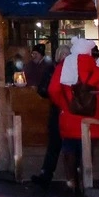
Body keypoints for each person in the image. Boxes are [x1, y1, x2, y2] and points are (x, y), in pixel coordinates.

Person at [48, 37, 99, 192]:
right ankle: (87, 181)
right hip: (92, 119)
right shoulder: (97, 67)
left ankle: (72, 181)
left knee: (69, 149)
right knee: (88, 150)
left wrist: (65, 104)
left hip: (69, 117)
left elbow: (53, 90)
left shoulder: (64, 66)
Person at [31, 44, 70, 185]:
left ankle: (47, 175)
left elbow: (47, 90)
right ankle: (74, 178)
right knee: (68, 146)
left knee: (56, 145)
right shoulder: (72, 69)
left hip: (59, 110)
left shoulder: (54, 69)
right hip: (69, 111)